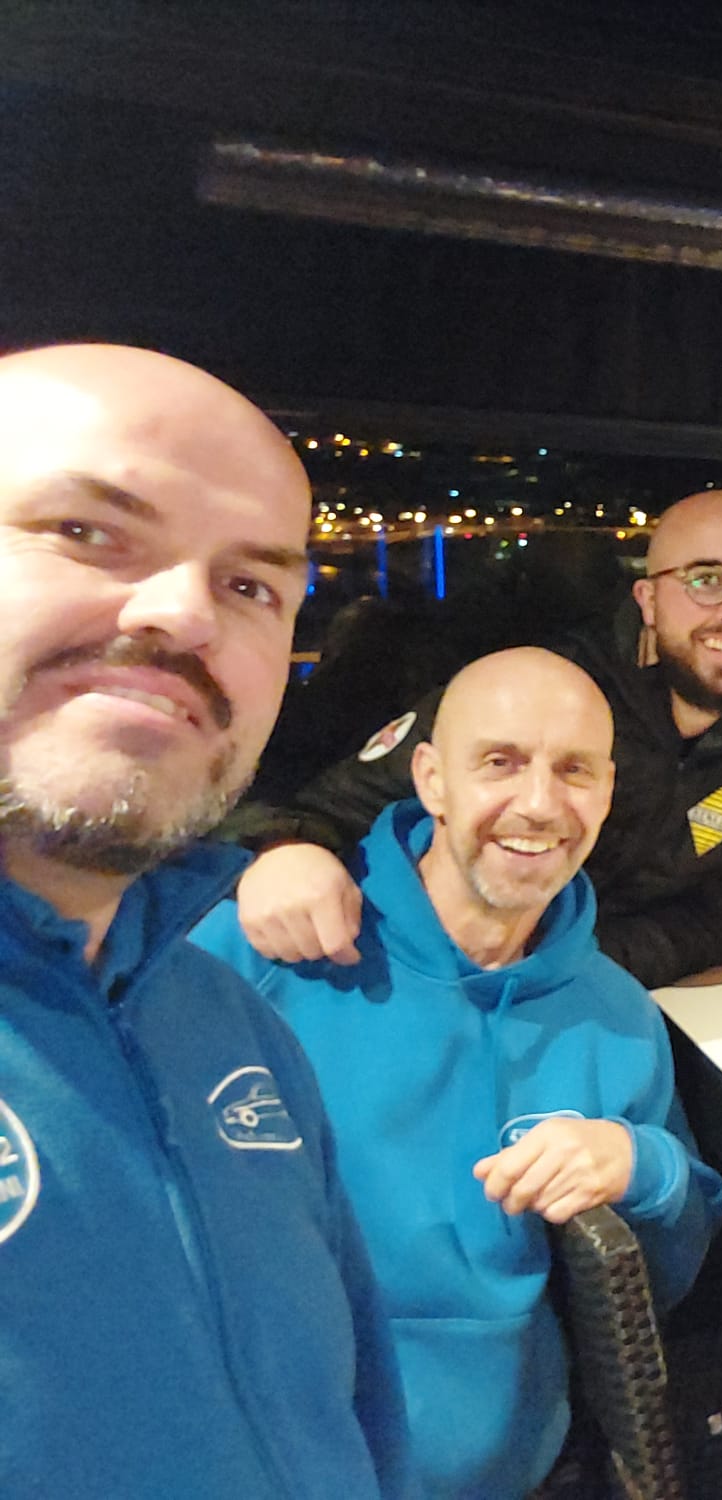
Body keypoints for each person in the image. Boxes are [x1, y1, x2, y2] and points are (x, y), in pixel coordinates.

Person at [0, 343, 409, 1494]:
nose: (184, 613)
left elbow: (355, 1406)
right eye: (86, 530)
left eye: (251, 588)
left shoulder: (229, 1023)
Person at [193, 648, 722, 1498]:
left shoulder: (617, 1015)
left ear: (608, 792)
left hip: (514, 1469)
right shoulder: (271, 950)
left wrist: (642, 1165)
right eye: (501, 762)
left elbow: (665, 1279)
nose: (540, 804)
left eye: (574, 770)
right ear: (432, 781)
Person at [227, 487, 722, 987]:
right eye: (706, 579)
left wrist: (568, 970)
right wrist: (286, 851)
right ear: (649, 599)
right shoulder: (544, 689)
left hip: (591, 996)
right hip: (422, 979)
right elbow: (329, 808)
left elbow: (721, 915)